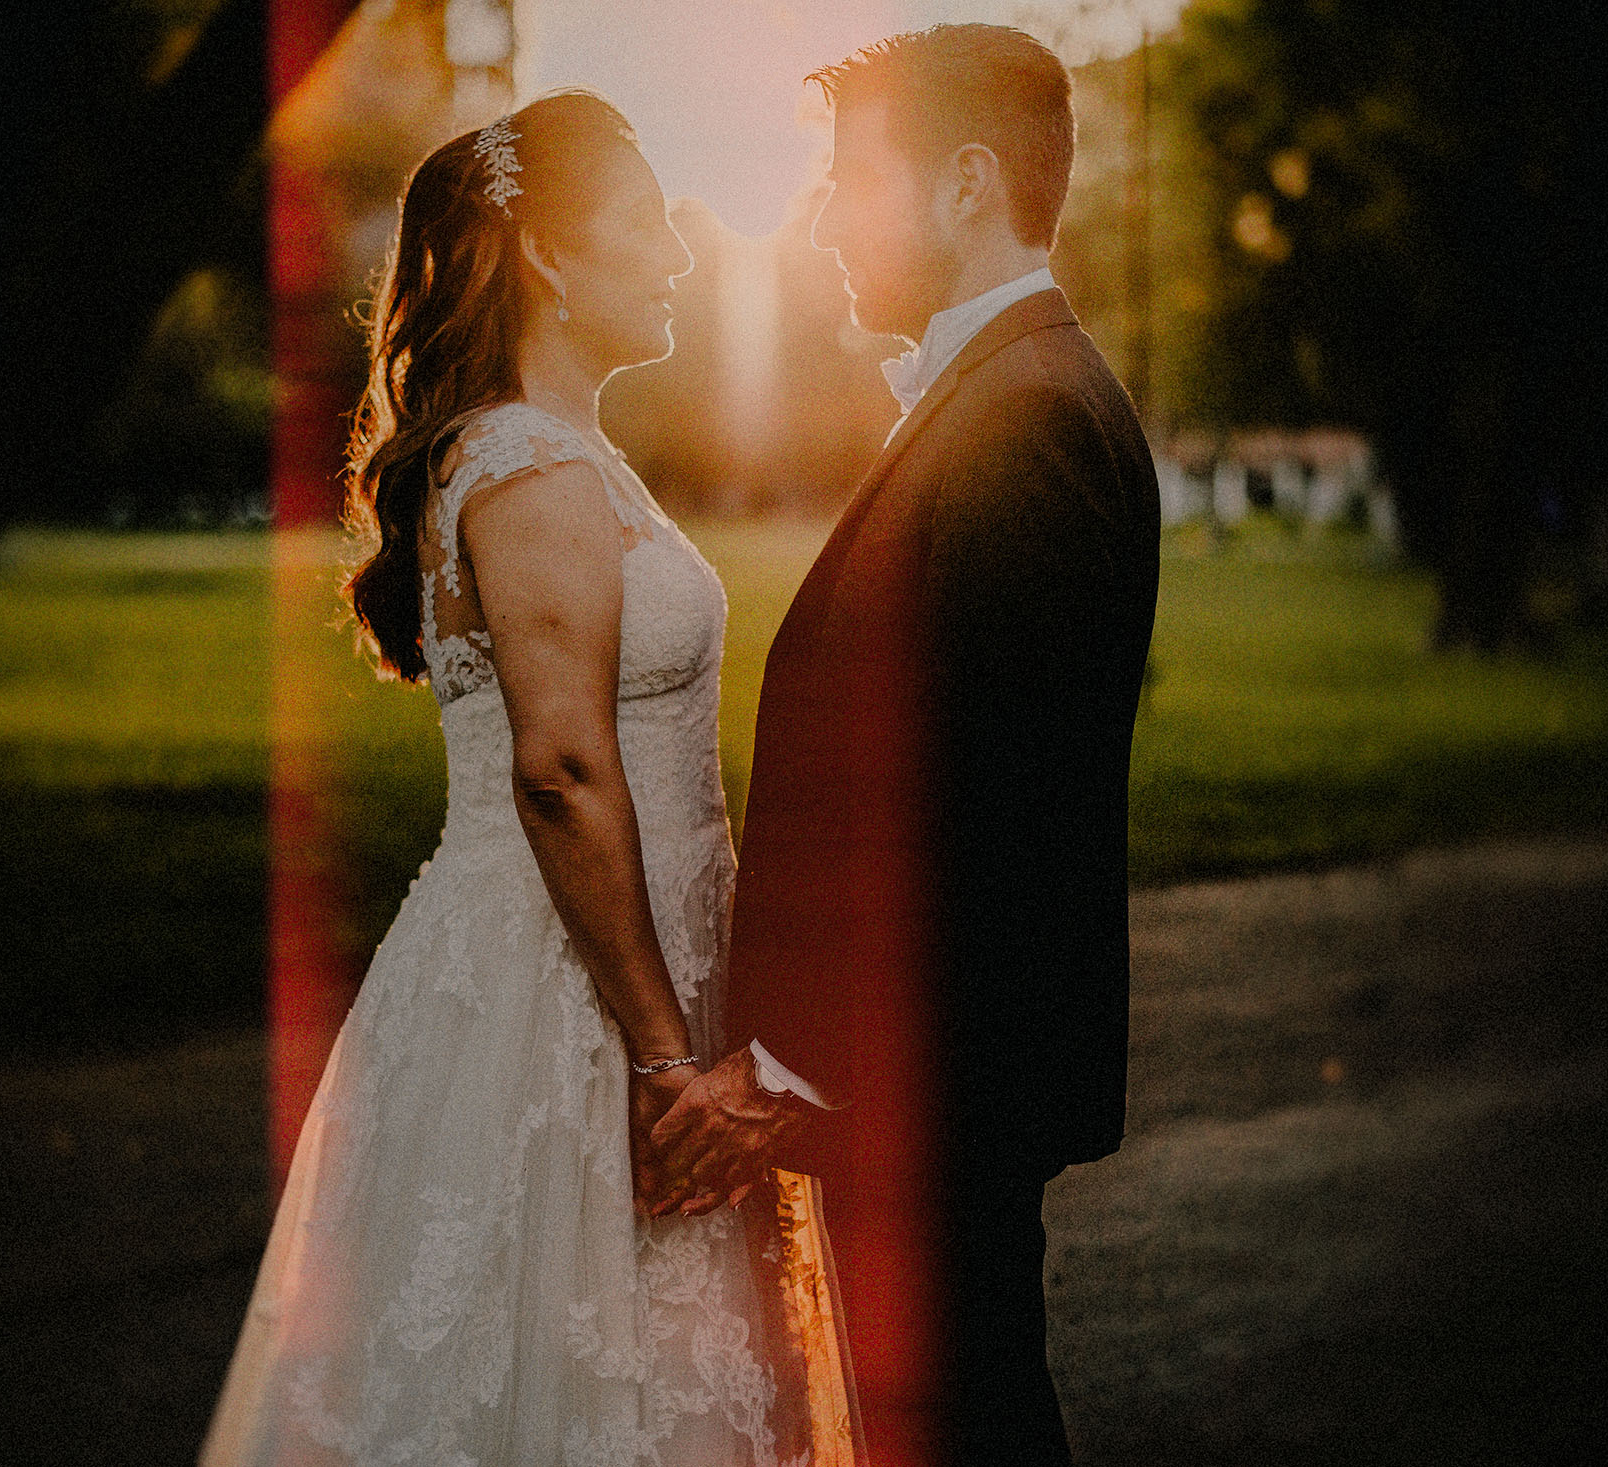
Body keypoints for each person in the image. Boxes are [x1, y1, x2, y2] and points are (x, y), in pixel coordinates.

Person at [198, 91, 857, 1467]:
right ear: (551, 257)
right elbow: (558, 770)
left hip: (630, 963)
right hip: (573, 992)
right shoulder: (528, 462)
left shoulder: (566, 452)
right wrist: (666, 1057)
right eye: (647, 230)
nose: (680, 259)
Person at [648, 25, 1162, 1467]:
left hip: (940, 1105)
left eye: (847, 178)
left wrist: (796, 1077)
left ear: (964, 186)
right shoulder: (998, 397)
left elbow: (984, 827)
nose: (817, 215)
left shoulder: (1028, 424)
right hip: (927, 1099)